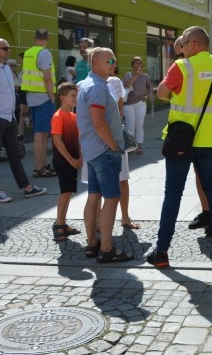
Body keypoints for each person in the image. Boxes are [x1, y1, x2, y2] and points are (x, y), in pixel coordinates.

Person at [147, 26, 212, 267]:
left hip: (182, 140)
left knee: (173, 195)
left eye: (184, 44)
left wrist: (177, 95)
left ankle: (161, 252)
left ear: (194, 44)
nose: (182, 49)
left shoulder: (182, 67)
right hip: (210, 140)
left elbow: (162, 93)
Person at [76, 46, 133, 263]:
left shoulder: (90, 84)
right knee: (112, 198)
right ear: (97, 62)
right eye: (110, 61)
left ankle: (92, 243)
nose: (114, 64)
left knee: (94, 196)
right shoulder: (98, 87)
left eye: (114, 60)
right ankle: (106, 248)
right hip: (102, 151)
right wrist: (112, 146)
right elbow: (98, 122)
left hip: (93, 150)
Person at [0, 38, 47, 203]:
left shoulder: (6, 69)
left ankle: (27, 188)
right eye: (5, 48)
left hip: (9, 117)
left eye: (8, 48)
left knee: (15, 155)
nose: (8, 51)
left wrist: (13, 115)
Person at [106, 67, 140, 230]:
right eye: (109, 62)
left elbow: (120, 107)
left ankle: (124, 217)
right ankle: (100, 221)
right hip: (101, 140)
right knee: (100, 185)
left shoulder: (114, 81)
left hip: (115, 138)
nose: (112, 66)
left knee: (122, 180)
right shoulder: (86, 84)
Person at [21, 28, 57, 178]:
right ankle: (39, 168)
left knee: (41, 132)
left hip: (32, 96)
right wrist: (52, 96)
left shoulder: (29, 53)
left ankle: (43, 164)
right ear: (47, 39)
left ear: (34, 38)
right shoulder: (44, 53)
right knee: (41, 133)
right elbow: (47, 77)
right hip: (43, 96)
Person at [50, 82, 83, 242]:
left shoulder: (73, 116)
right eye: (72, 96)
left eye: (76, 96)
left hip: (72, 161)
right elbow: (57, 141)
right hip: (63, 161)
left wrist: (80, 157)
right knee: (65, 192)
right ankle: (58, 225)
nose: (75, 98)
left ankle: (62, 223)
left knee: (68, 191)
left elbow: (77, 139)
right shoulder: (58, 116)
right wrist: (70, 159)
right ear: (62, 98)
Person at [124, 56, 154, 155]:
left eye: (140, 63)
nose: (139, 65)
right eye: (137, 63)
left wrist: (146, 96)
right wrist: (136, 75)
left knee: (139, 126)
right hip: (129, 104)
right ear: (132, 65)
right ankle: (131, 146)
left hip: (141, 104)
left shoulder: (146, 77)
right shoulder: (128, 75)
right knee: (130, 126)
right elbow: (127, 85)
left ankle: (139, 146)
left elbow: (150, 90)